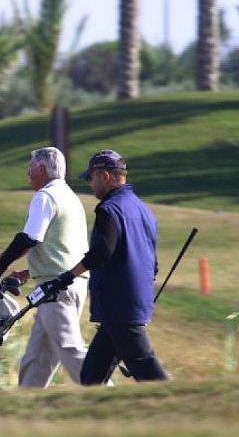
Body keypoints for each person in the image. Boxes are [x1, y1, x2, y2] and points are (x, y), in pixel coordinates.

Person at [35, 149, 169, 385]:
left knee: (149, 374)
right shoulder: (143, 210)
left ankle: (184, 406)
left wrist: (66, 277)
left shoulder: (109, 210)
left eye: (91, 178)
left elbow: (101, 252)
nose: (90, 184)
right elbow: (153, 264)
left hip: (119, 308)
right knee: (91, 378)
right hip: (128, 306)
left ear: (105, 176)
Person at [0, 147, 90, 387]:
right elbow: (61, 247)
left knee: (71, 350)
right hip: (69, 286)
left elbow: (28, 240)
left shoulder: (46, 196)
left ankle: (106, 394)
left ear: (41, 168)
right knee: (36, 361)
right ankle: (26, 411)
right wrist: (28, 272)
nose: (28, 174)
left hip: (57, 290)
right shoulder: (70, 197)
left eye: (30, 169)